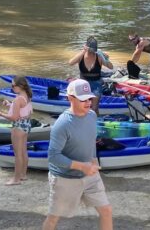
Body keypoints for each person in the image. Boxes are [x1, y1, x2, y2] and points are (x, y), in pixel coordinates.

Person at [42, 79, 112, 230]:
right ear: (70, 98)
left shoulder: (92, 115)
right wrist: (82, 166)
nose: (88, 103)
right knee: (53, 218)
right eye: (82, 99)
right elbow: (53, 156)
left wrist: (93, 160)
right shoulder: (62, 124)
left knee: (106, 211)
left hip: (90, 176)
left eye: (89, 98)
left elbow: (91, 139)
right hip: (65, 179)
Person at [0, 75, 33, 185]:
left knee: (17, 154)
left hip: (18, 127)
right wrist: (10, 104)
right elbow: (22, 110)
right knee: (24, 151)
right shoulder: (27, 96)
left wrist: (0, 114)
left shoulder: (18, 99)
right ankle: (23, 175)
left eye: (13, 86)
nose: (12, 88)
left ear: (20, 86)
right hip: (26, 125)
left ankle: (16, 179)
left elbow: (14, 118)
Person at [68, 36, 113, 114]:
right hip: (83, 84)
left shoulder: (99, 56)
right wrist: (83, 51)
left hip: (96, 84)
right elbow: (70, 63)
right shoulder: (81, 55)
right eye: (90, 50)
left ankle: (95, 123)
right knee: (84, 107)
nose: (92, 52)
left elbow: (111, 67)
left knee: (94, 108)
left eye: (93, 51)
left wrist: (106, 59)